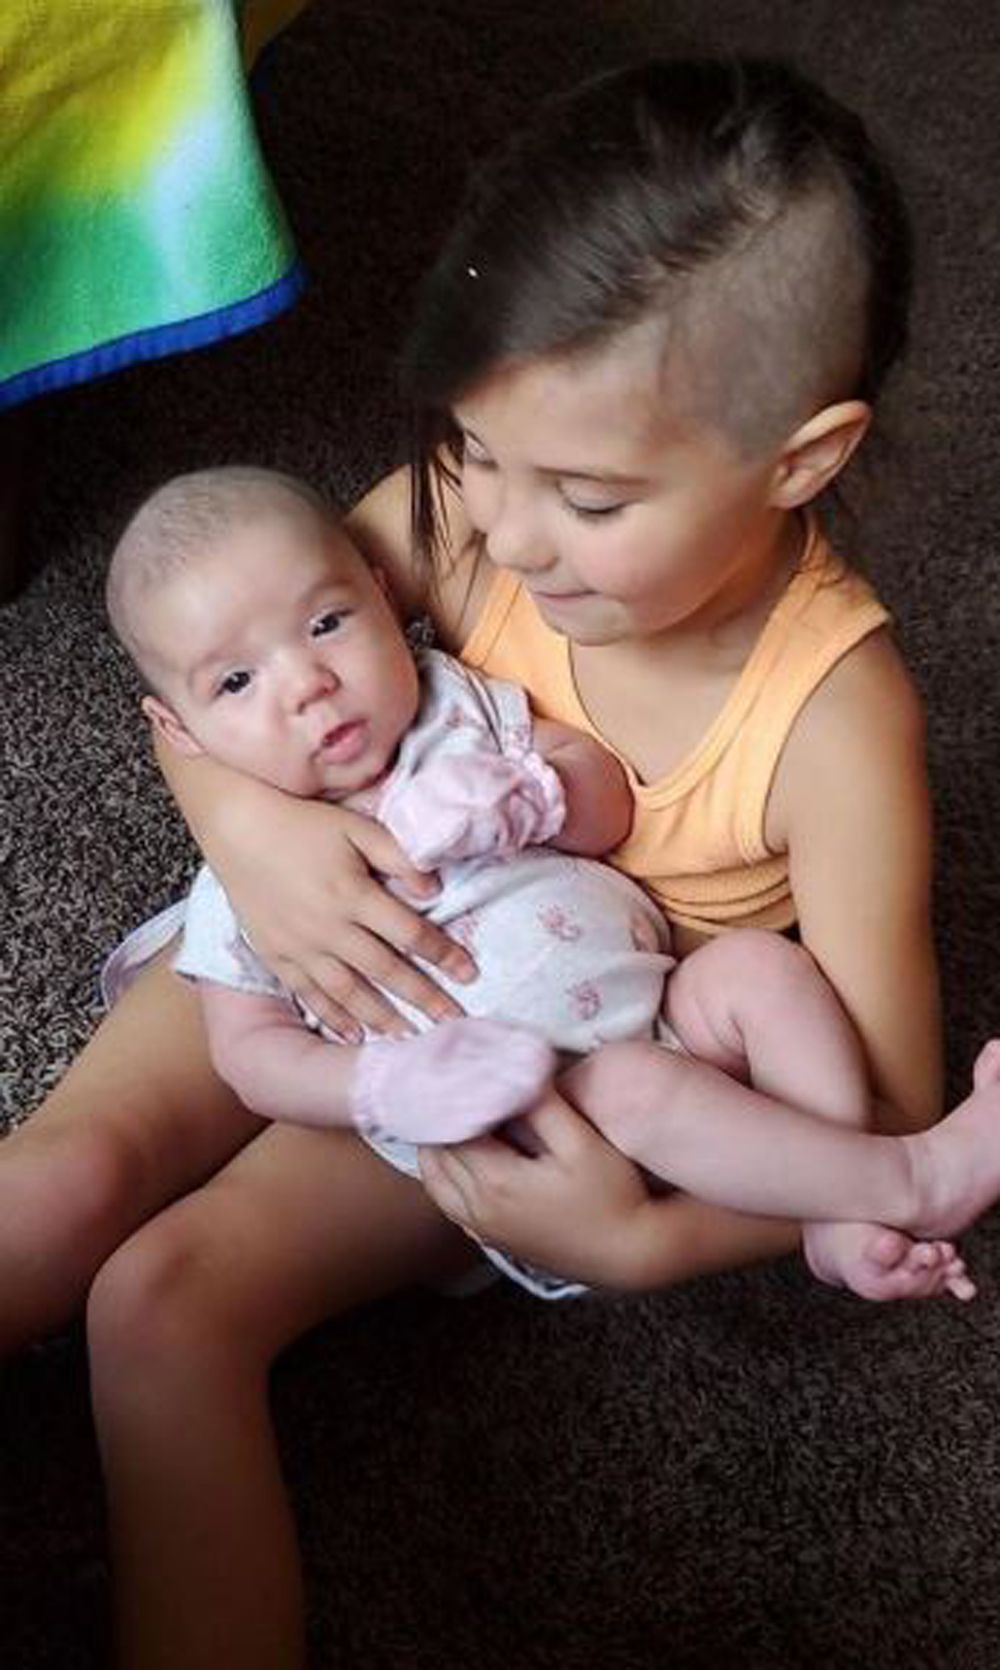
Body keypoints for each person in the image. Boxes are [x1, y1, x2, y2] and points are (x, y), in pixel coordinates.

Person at [0, 55, 985, 1670]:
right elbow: (210, 663)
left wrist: (649, 1240)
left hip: (521, 1030)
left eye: (587, 498)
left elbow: (881, 1114)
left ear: (799, 460)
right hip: (293, 926)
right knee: (58, 1184)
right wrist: (258, 836)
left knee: (162, 1304)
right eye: (472, 447)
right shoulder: (462, 508)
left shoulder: (836, 721)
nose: (510, 538)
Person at [105, 463, 986, 1305]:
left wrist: (535, 793)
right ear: (179, 729)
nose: (308, 685)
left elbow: (609, 811)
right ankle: (912, 1179)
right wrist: (381, 1085)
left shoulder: (453, 705)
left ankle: (834, 1204)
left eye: (328, 624)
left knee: (761, 968)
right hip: (537, 1116)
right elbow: (252, 1059)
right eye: (238, 681)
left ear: (381, 592)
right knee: (635, 1086)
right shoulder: (238, 887)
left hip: (659, 998)